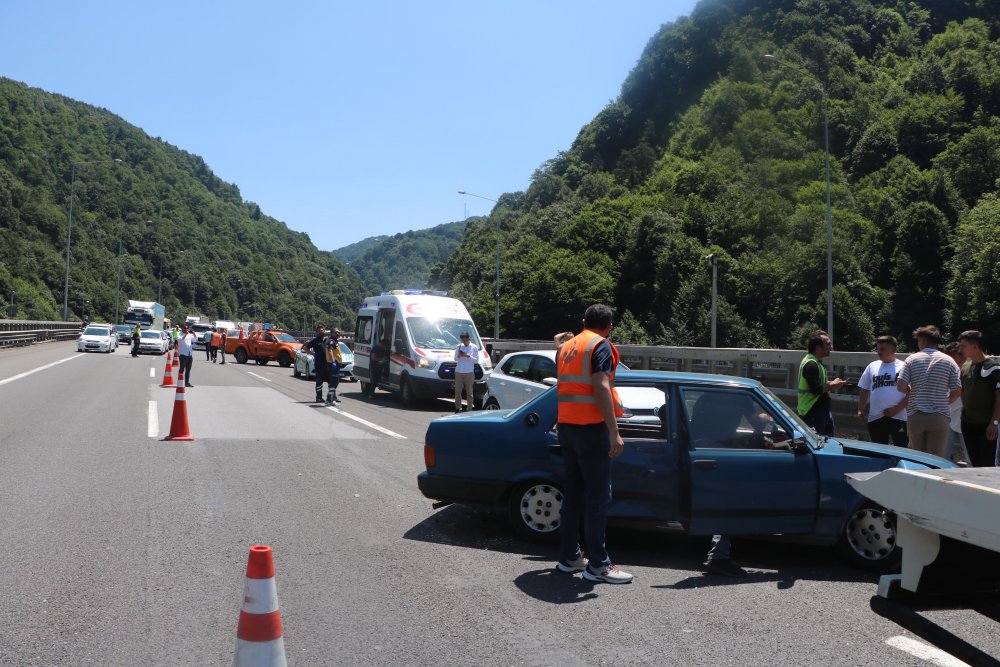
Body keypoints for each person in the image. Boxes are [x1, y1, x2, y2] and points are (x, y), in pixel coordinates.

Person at [552, 304, 633, 584]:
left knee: (573, 494)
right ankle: (598, 564)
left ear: (584, 321)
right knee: (598, 497)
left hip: (567, 428)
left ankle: (569, 556)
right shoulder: (600, 346)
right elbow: (600, 386)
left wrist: (560, 344)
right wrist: (614, 431)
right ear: (609, 327)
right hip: (591, 429)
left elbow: (568, 383)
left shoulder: (566, 348)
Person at [896, 325, 961, 458]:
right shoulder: (949, 361)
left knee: (917, 457)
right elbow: (957, 391)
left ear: (923, 340)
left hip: (916, 415)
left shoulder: (911, 359)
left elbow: (901, 386)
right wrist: (945, 401)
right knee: (935, 459)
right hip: (939, 416)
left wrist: (911, 389)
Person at [957, 330, 1000, 467]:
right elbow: (962, 390)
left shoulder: (993, 368)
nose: (961, 349)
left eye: (963, 346)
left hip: (987, 425)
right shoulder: (965, 367)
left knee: (988, 464)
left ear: (975, 346)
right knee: (975, 463)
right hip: (968, 423)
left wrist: (994, 422)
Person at [857, 336, 909, 447]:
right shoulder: (872, 366)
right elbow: (864, 389)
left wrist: (896, 409)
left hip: (899, 416)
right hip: (876, 416)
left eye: (882, 349)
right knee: (879, 452)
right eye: (878, 349)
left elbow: (911, 393)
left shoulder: (904, 366)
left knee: (902, 450)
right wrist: (860, 409)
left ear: (893, 350)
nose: (879, 352)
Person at [797, 330, 846, 436]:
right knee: (819, 445)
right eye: (828, 344)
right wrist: (833, 385)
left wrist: (831, 382)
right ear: (818, 347)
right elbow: (816, 389)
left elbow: (818, 383)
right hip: (812, 413)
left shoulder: (816, 362)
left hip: (820, 412)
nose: (831, 347)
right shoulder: (811, 365)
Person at [942, 342, 970, 464]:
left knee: (971, 458)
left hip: (967, 418)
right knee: (942, 458)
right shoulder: (945, 371)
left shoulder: (971, 370)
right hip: (947, 417)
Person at [453, 331, 479, 413]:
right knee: (457, 391)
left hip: (469, 372)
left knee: (469, 392)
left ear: (468, 339)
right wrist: (459, 355)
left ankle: (469, 408)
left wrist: (467, 355)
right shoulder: (459, 346)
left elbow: (476, 361)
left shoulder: (474, 347)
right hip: (459, 371)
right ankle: (458, 408)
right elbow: (455, 359)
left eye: (465, 341)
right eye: (462, 341)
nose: (463, 342)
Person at [303, 325, 330, 404]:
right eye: (318, 331)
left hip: (328, 364)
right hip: (319, 364)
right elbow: (305, 348)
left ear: (324, 331)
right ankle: (319, 397)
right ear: (316, 332)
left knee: (330, 381)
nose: (320, 332)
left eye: (322, 330)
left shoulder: (328, 340)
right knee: (319, 381)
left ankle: (331, 397)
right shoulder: (314, 341)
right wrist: (312, 353)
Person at [325, 328, 343, 405]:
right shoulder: (331, 341)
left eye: (339, 332)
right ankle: (329, 399)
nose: (338, 334)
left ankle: (332, 399)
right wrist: (333, 362)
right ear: (332, 333)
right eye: (336, 332)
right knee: (334, 382)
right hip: (333, 363)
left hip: (335, 363)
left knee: (334, 381)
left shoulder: (335, 340)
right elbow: (330, 350)